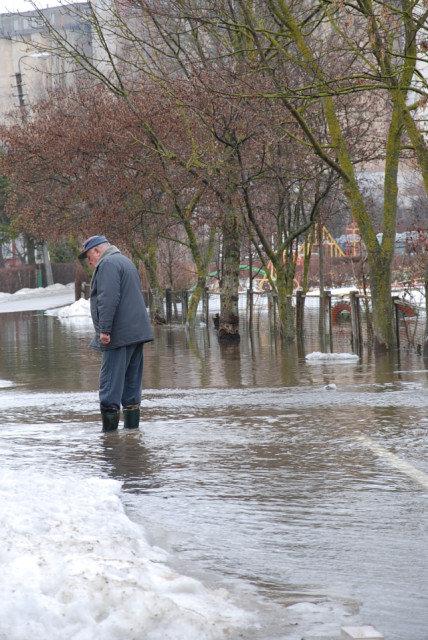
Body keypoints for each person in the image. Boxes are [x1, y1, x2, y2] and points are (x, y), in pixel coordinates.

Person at [78, 235, 153, 432]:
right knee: (131, 386)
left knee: (109, 387)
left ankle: (109, 440)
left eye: (88, 256)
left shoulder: (108, 264)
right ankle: (132, 436)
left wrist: (104, 330)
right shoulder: (125, 261)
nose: (89, 261)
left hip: (118, 336)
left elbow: (107, 299)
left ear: (96, 251)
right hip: (137, 334)